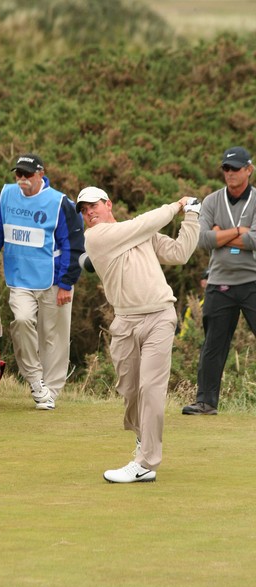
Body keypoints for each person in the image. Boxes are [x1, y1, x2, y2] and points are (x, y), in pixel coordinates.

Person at [76, 186, 200, 483]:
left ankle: (146, 461)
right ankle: (143, 441)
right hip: (125, 323)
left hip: (159, 316)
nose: (88, 213)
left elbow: (179, 253)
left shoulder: (137, 231)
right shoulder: (95, 237)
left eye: (93, 206)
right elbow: (143, 224)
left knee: (150, 389)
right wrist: (176, 204)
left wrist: (192, 216)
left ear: (108, 204)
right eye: (83, 210)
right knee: (130, 391)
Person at [0, 153, 85, 410]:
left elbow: (73, 244)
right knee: (22, 321)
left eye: (27, 175)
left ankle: (51, 393)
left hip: (53, 281)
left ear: (40, 174)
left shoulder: (59, 203)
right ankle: (36, 382)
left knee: (54, 338)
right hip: (20, 279)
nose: (22, 180)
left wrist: (67, 284)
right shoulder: (6, 195)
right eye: (18, 174)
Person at [182, 146, 256, 415]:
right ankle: (206, 402)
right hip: (220, 282)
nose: (230, 173)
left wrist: (221, 235)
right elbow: (202, 239)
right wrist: (239, 232)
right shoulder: (212, 201)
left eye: (235, 168)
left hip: (252, 281)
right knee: (213, 344)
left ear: (249, 169)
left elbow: (255, 240)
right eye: (226, 168)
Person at [177, 268, 209, 338]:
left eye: (213, 278)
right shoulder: (191, 306)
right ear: (202, 283)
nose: (210, 281)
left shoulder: (225, 303)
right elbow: (180, 330)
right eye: (207, 278)